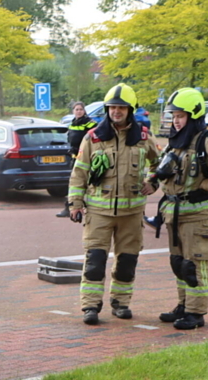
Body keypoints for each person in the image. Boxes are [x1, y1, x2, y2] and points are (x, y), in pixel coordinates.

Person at [67, 84, 160, 325]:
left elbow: (160, 163)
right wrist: (75, 203)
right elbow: (79, 172)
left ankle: (121, 303)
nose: (116, 111)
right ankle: (90, 306)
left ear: (130, 110)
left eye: (121, 107)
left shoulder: (143, 137)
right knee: (95, 260)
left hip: (131, 213)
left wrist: (153, 181)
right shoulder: (93, 137)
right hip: (99, 212)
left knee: (127, 262)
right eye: (112, 107)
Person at [153, 88, 208, 331]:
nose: (176, 121)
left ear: (194, 115)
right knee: (179, 262)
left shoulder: (207, 139)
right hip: (175, 213)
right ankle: (183, 306)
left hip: (197, 214)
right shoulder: (176, 142)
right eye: (174, 116)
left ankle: (196, 313)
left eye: (180, 116)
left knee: (196, 264)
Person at [57, 101, 96, 218]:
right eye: (76, 109)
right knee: (74, 182)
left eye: (80, 109)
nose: (79, 111)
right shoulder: (73, 123)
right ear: (73, 111)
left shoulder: (90, 123)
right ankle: (69, 207)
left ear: (84, 111)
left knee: (86, 182)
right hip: (75, 157)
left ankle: (89, 207)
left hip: (87, 157)